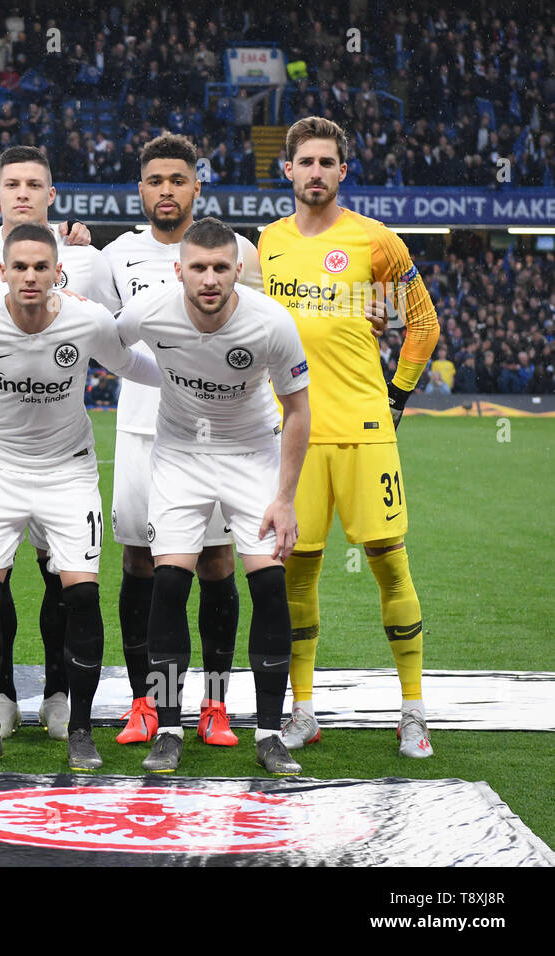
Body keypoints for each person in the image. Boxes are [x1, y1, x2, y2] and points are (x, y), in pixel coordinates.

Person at [0, 223, 159, 770]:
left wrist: (190, 377)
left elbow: (132, 366)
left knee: (81, 597)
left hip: (68, 475)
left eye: (40, 267)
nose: (29, 276)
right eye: (19, 267)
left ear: (57, 273)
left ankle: (81, 730)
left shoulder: (87, 319)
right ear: (2, 272)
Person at [260, 116, 440, 758]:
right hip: (293, 436)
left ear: (342, 171)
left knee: (389, 561)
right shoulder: (267, 245)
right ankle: (302, 712)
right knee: (296, 571)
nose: (315, 172)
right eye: (304, 162)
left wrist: (395, 395)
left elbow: (422, 323)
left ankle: (413, 710)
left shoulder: (376, 242)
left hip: (365, 429)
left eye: (326, 162)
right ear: (288, 170)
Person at [116, 217, 312, 776]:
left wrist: (286, 497)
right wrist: (154, 375)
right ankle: (170, 728)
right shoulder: (152, 309)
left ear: (238, 271)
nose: (209, 279)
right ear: (179, 270)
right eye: (198, 268)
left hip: (251, 455)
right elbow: (110, 344)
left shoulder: (271, 322)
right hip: (179, 456)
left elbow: (298, 410)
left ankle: (270, 733)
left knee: (270, 586)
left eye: (220, 268)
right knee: (169, 585)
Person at [0, 145, 116, 742]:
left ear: (52, 195)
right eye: (11, 183)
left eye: (34, 184)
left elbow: (120, 334)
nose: (22, 192)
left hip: (61, 444)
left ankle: (57, 692)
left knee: (59, 576)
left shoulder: (88, 261)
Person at [101, 134, 261, 750]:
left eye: (177, 179)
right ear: (139, 189)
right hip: (142, 430)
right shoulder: (116, 255)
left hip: (217, 435)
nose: (166, 190)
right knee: (140, 560)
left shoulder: (236, 251)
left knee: (218, 561)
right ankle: (147, 701)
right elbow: (104, 336)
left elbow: (261, 334)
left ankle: (214, 705)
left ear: (198, 185)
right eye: (154, 181)